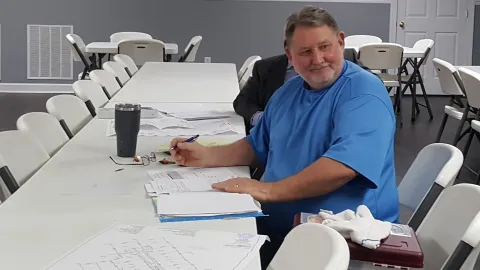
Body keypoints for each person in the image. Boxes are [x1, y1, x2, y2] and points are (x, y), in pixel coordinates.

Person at [170, 5, 399, 269]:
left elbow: (343, 168)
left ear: (341, 42)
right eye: (305, 51)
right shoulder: (288, 92)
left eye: (325, 47)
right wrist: (206, 155)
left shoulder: (363, 93)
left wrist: (266, 189)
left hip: (341, 246)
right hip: (278, 232)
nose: (318, 58)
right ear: (290, 55)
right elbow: (257, 146)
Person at [233, 50, 297, 132]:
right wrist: (262, 119)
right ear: (288, 48)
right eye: (305, 50)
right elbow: (242, 101)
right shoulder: (265, 67)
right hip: (268, 135)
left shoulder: (317, 73)